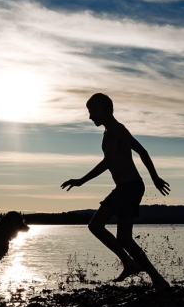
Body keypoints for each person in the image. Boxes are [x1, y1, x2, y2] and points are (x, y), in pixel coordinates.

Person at [61, 93, 171, 290]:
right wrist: (154, 178)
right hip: (124, 188)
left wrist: (81, 181)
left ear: (101, 110)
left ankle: (158, 280)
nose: (90, 117)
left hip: (130, 187)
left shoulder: (114, 131)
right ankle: (129, 264)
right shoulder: (118, 129)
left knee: (124, 238)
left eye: (91, 112)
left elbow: (109, 161)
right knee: (95, 225)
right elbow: (143, 152)